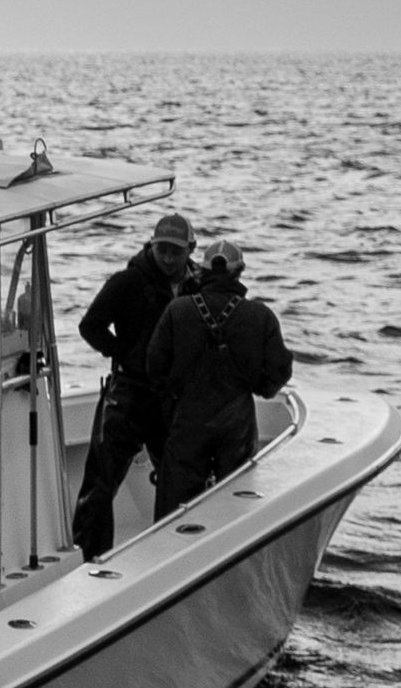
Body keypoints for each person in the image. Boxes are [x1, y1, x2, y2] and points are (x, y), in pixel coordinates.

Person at [71, 211, 198, 560]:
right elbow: (90, 325)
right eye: (162, 250)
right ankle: (88, 559)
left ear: (190, 249)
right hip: (129, 393)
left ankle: (174, 555)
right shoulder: (127, 282)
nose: (169, 258)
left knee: (180, 480)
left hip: (171, 398)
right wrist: (124, 354)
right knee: (99, 484)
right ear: (152, 246)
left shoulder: (197, 285)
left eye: (176, 251)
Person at [140, 239, 292, 510]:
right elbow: (278, 372)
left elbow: (154, 367)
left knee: (174, 509)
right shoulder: (260, 316)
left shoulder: (178, 310)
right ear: (239, 271)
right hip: (237, 426)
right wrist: (258, 386)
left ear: (202, 270)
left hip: (187, 422)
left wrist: (174, 395)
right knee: (235, 504)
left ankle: (174, 550)